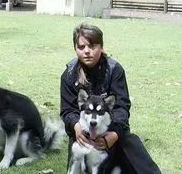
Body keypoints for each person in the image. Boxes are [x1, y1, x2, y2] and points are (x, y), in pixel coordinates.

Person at [60, 23, 161, 173]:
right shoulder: (69, 75)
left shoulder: (114, 70)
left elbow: (122, 107)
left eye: (92, 46)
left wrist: (114, 135)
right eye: (81, 47)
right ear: (75, 49)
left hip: (112, 131)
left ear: (101, 47)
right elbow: (67, 110)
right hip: (83, 134)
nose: (87, 51)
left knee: (132, 146)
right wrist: (76, 127)